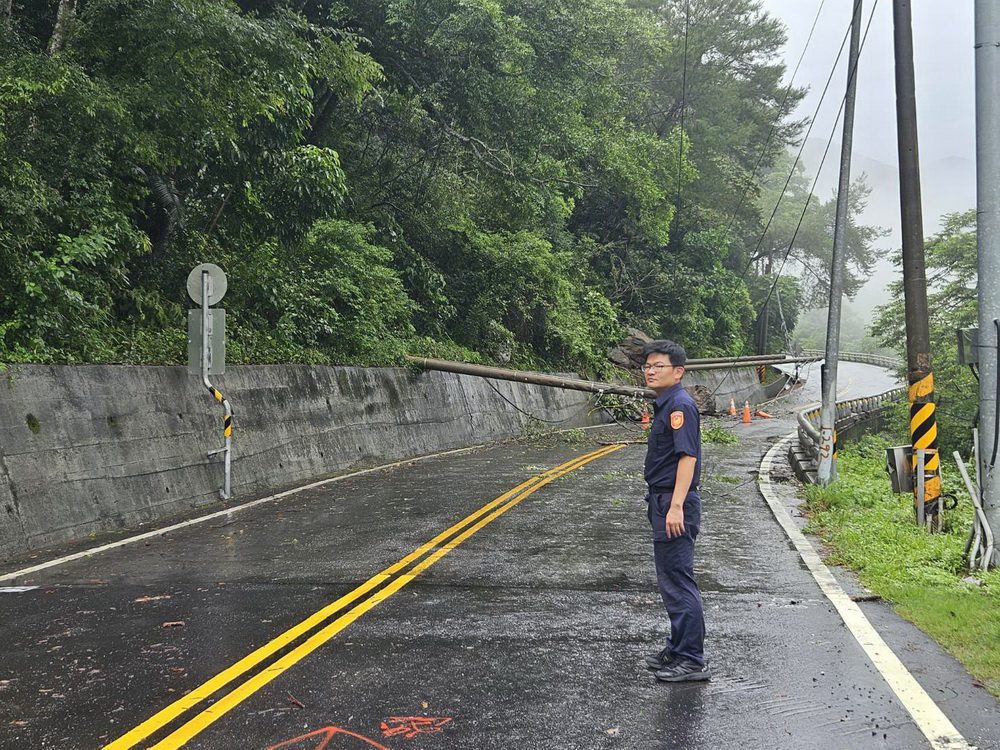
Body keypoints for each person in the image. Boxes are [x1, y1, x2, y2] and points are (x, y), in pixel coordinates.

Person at [639, 339, 710, 682]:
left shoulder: (680, 406)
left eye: (659, 366)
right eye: (647, 365)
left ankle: (691, 659)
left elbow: (687, 457)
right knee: (670, 580)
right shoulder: (667, 405)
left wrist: (677, 506)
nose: (650, 371)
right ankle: (677, 648)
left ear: (678, 371)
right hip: (664, 500)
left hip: (673, 501)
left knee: (678, 581)